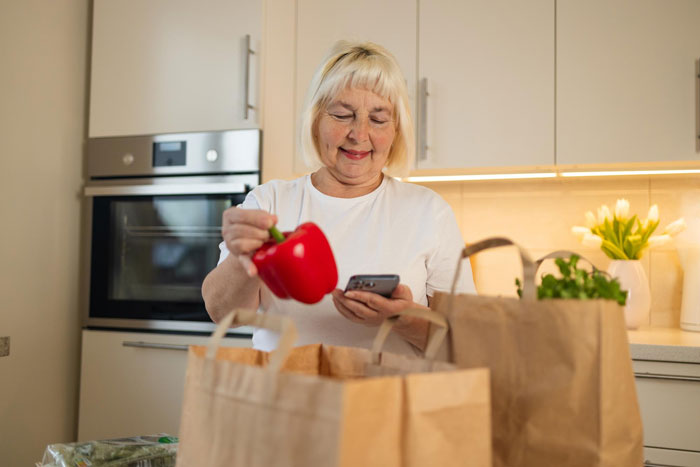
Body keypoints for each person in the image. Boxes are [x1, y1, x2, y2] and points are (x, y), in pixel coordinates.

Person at [202, 41, 475, 355]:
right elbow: (221, 312)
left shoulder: (429, 211)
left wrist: (402, 319)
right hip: (287, 398)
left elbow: (463, 342)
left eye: (378, 119)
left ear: (396, 129)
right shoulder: (269, 202)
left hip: (390, 400)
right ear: (316, 120)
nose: (359, 134)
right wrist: (241, 257)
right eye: (343, 115)